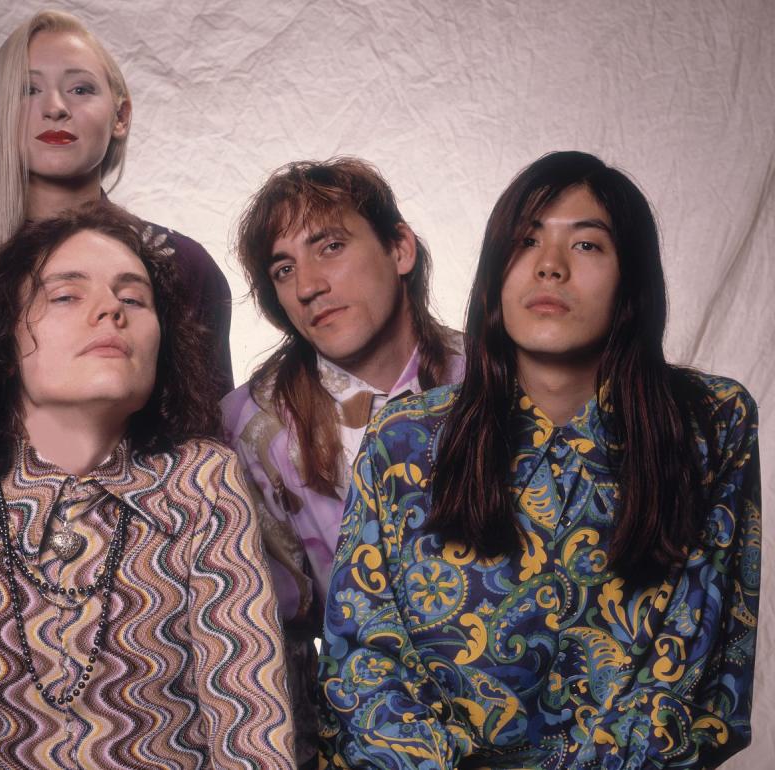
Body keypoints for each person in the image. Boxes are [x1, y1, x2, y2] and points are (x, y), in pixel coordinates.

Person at [319, 151, 760, 769]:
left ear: (631, 278)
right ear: (497, 274)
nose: (549, 267)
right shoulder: (407, 439)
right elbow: (361, 665)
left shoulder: (710, 424)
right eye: (526, 241)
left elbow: (700, 673)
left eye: (586, 246)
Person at [0, 9, 234, 667]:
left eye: (79, 87)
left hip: (144, 604)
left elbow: (205, 452)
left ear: (120, 114)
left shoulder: (180, 267)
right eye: (28, 89)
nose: (54, 105)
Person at [0, 202, 294, 769]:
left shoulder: (204, 480)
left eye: (134, 298)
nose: (111, 310)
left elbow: (250, 729)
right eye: (67, 294)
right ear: (3, 334)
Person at [221, 157, 465, 765]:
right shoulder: (252, 428)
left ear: (400, 248)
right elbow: (277, 644)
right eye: (284, 268)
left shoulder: (496, 378)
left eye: (330, 246)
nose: (307, 285)